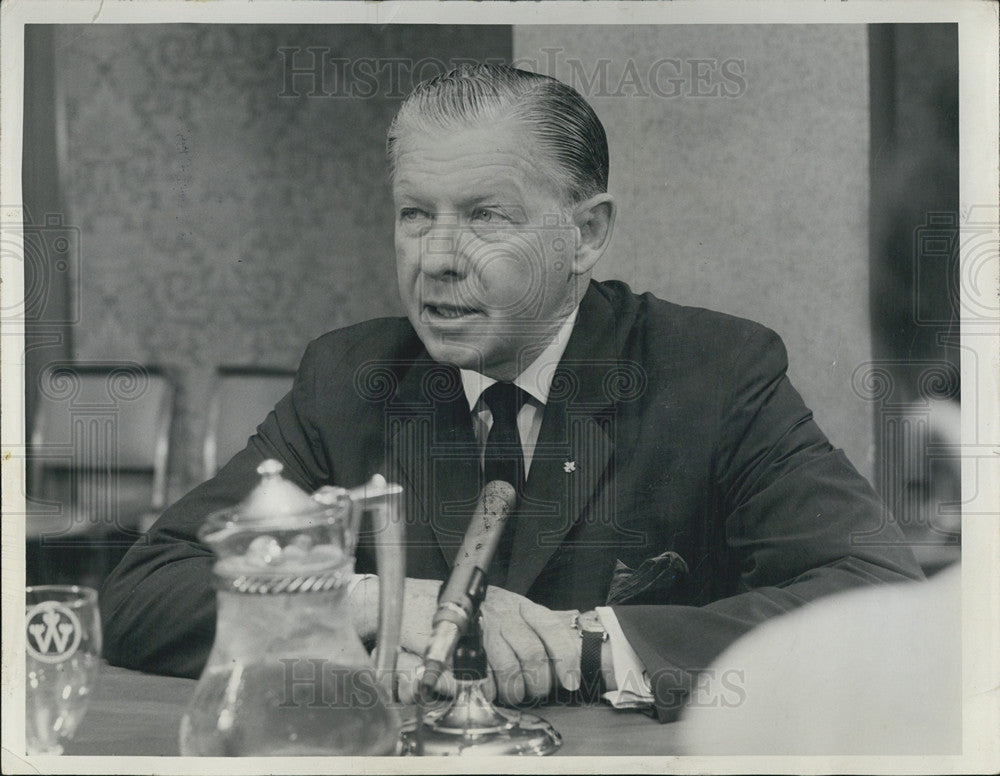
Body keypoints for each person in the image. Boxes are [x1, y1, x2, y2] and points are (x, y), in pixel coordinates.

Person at [100, 64, 923, 723]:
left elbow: (878, 593)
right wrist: (379, 603)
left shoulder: (713, 371)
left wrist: (592, 644)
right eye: (415, 215)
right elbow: (144, 594)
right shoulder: (350, 378)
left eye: (486, 217)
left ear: (586, 235)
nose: (437, 258)